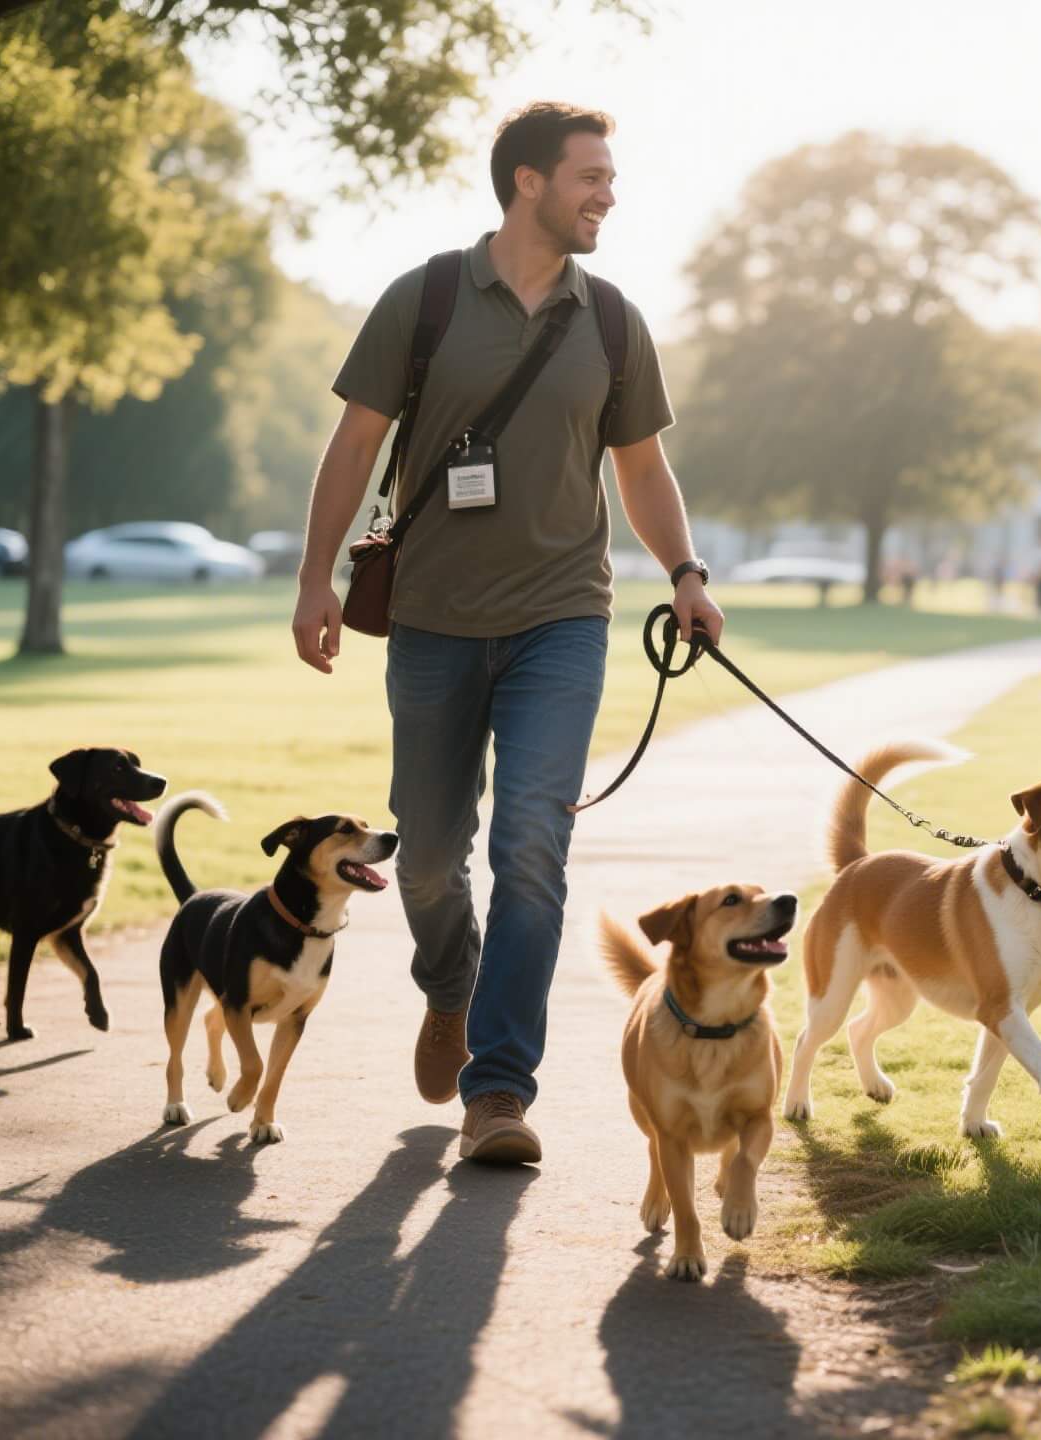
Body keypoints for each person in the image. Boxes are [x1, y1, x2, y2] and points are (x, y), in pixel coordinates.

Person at [289, 103, 721, 1168]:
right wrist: (315, 576)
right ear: (527, 181)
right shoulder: (426, 300)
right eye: (589, 177)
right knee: (429, 859)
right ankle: (452, 981)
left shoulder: (611, 320)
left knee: (531, 842)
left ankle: (498, 1089)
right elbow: (353, 446)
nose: (607, 195)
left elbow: (642, 469)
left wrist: (685, 572)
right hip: (433, 619)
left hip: (562, 618)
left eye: (610, 178)